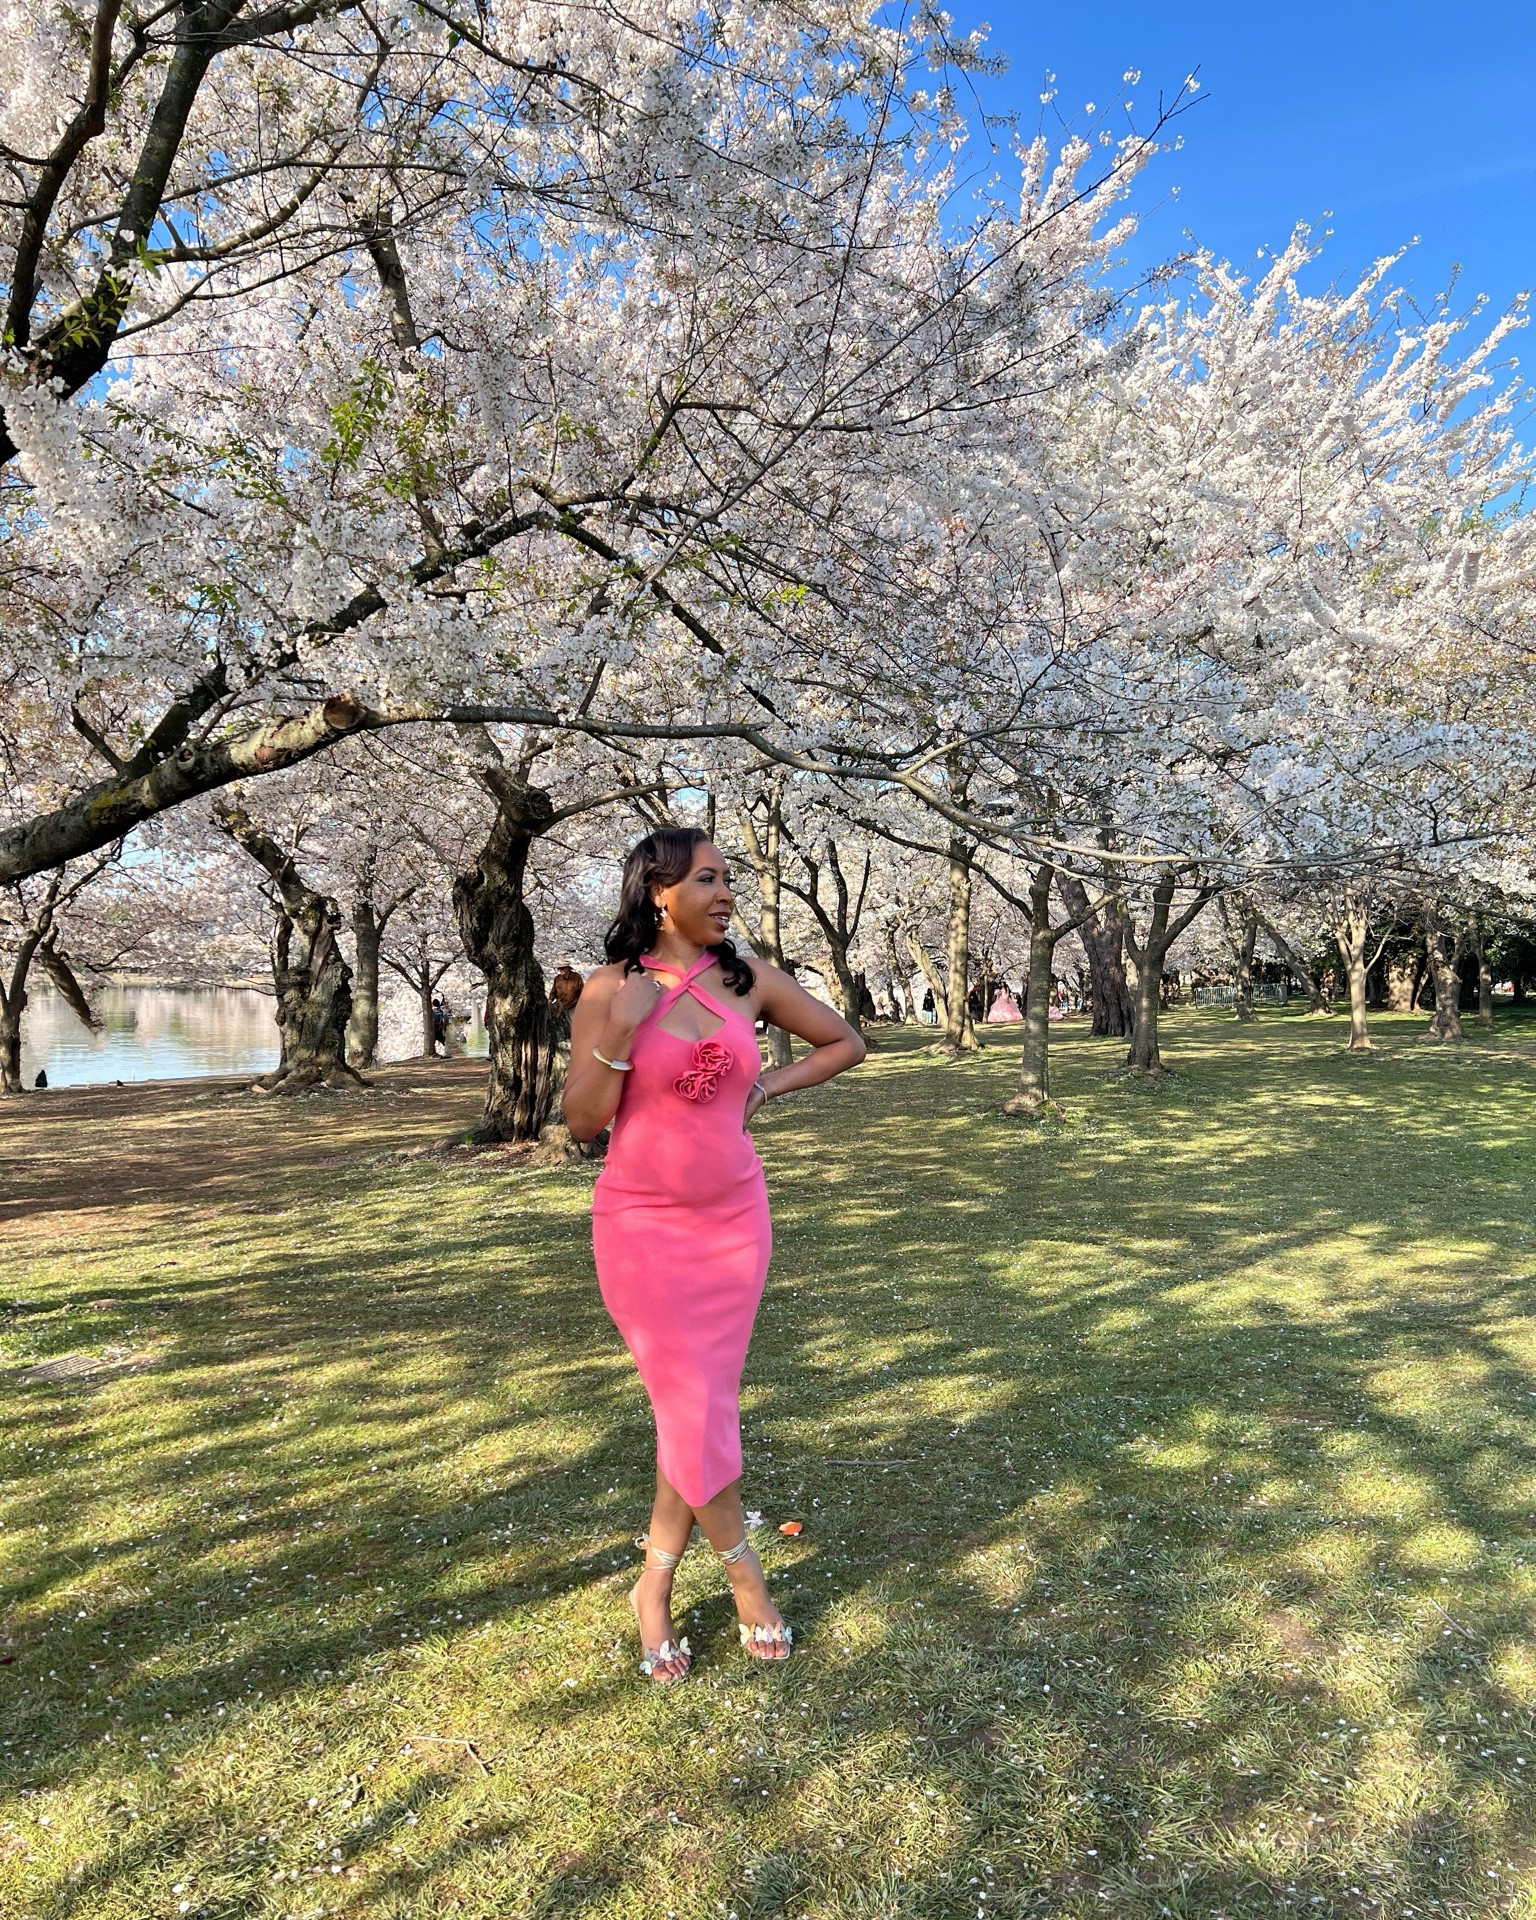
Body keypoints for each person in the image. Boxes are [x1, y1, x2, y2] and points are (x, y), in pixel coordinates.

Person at [563, 827, 865, 1684]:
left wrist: (763, 1087)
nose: (727, 893)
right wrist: (617, 1037)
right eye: (709, 879)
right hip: (643, 1224)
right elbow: (583, 1124)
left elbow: (844, 1043)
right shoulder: (608, 989)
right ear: (659, 892)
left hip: (735, 1220)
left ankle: (651, 1590)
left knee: (699, 1410)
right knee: (691, 1408)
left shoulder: (749, 980)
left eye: (729, 879)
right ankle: (744, 1578)